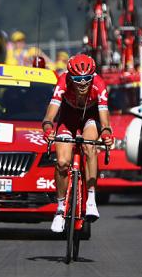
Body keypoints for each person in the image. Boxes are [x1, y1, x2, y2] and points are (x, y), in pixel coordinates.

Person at [41, 54, 113, 233]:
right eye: (78, 79)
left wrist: (105, 134)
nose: (83, 83)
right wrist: (48, 128)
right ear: (70, 77)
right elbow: (50, 115)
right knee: (62, 163)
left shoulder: (99, 84)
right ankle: (59, 208)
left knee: (90, 147)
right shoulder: (62, 81)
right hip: (68, 118)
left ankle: (91, 198)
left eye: (87, 78)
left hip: (91, 117)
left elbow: (104, 121)